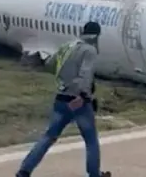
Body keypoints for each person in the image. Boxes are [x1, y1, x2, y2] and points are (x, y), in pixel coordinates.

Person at [16, 21, 110, 177]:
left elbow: (51, 64)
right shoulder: (90, 50)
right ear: (96, 36)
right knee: (91, 140)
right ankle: (94, 174)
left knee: (48, 137)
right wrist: (83, 95)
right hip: (79, 102)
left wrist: (65, 80)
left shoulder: (68, 46)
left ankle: (24, 171)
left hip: (61, 99)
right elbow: (85, 75)